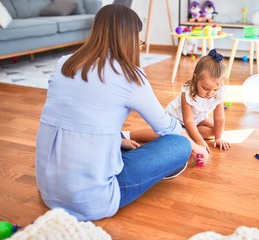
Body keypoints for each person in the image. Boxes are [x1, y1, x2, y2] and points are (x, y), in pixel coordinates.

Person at [35, 4, 209, 221]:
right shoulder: (130, 75)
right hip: (94, 200)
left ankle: (118, 140)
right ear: (129, 39)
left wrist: (116, 139)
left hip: (48, 189)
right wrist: (194, 144)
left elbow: (74, 117)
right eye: (138, 40)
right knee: (179, 144)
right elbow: (165, 126)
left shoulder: (63, 64)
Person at [129, 49, 231, 152]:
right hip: (177, 120)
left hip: (197, 119)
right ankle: (127, 134)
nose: (210, 93)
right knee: (164, 134)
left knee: (215, 130)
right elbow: (188, 120)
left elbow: (219, 118)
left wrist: (218, 138)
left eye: (215, 89)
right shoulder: (187, 92)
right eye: (205, 88)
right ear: (196, 79)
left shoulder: (218, 93)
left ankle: (187, 134)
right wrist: (199, 140)